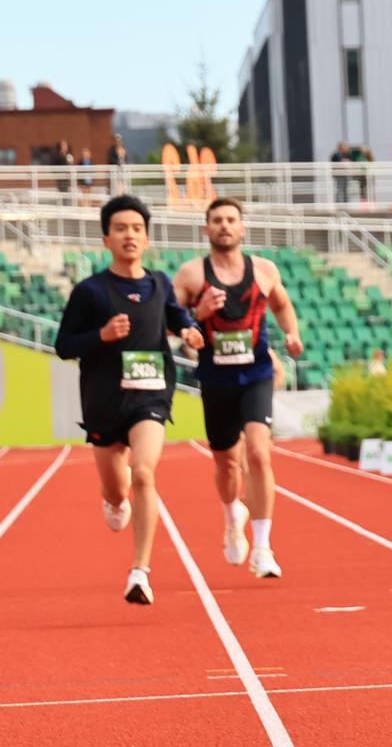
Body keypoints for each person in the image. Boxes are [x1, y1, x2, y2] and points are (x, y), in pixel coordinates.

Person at [54, 193, 197, 606]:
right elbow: (64, 345)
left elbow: (176, 314)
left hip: (151, 394)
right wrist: (101, 336)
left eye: (137, 228)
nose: (129, 235)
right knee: (118, 491)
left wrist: (187, 329)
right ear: (106, 239)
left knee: (144, 474)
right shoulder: (90, 292)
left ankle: (140, 572)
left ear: (147, 238)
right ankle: (113, 500)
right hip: (104, 401)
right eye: (120, 229)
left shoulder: (160, 283)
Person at [172, 197, 302, 579]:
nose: (225, 226)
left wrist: (291, 333)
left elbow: (282, 305)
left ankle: (262, 547)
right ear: (206, 229)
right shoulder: (191, 274)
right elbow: (170, 322)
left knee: (259, 453)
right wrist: (198, 315)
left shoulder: (263, 270)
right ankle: (232, 516)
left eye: (231, 220)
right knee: (227, 463)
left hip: (256, 373)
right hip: (216, 378)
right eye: (217, 220)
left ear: (242, 228)